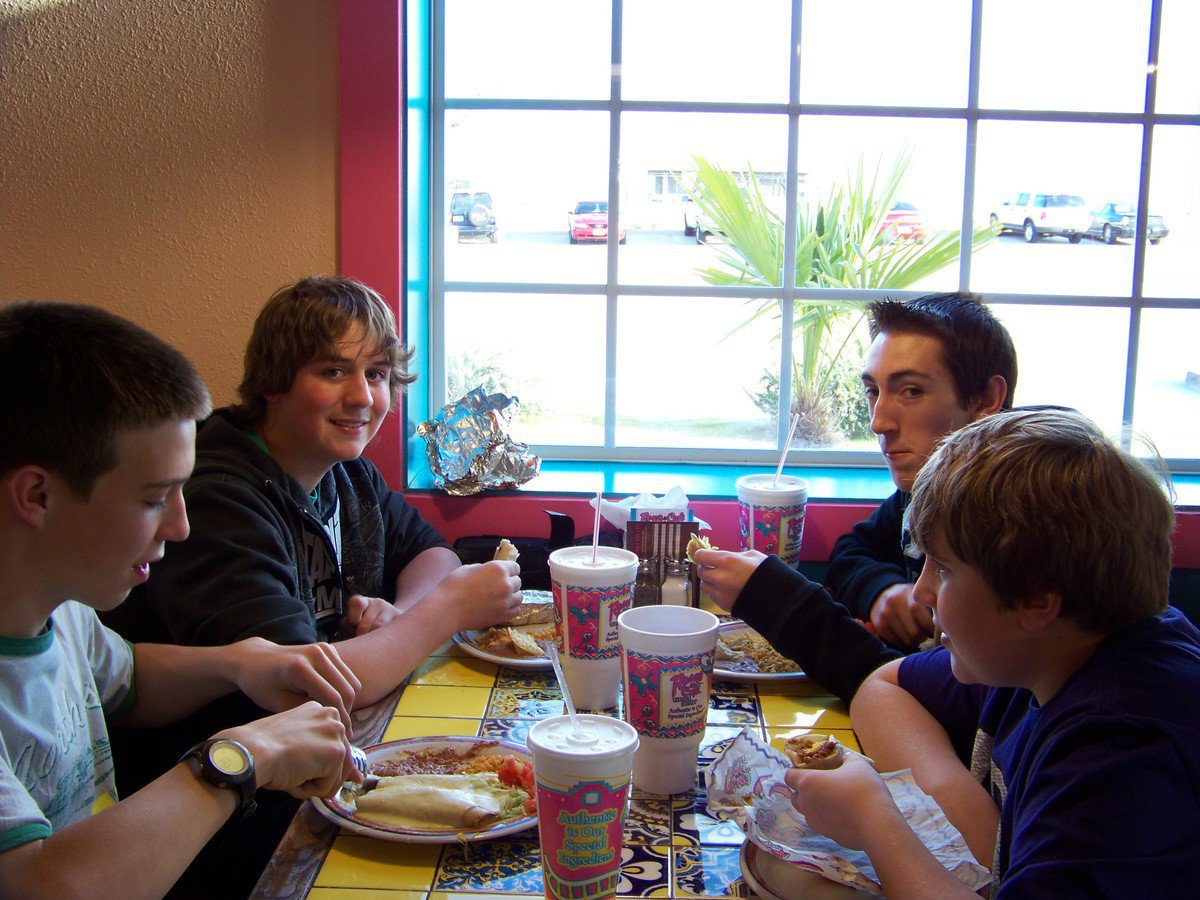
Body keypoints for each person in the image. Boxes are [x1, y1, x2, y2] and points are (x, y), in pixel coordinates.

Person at [103, 275, 521, 894]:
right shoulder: (220, 498)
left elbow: (430, 552)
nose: (363, 397)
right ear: (273, 381)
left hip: (297, 777)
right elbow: (308, 687)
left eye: (377, 375)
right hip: (219, 829)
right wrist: (440, 614)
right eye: (333, 372)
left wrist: (399, 612)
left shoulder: (342, 474)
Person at [0, 300, 361, 898]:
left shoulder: (59, 612)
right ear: (37, 495)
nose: (181, 526)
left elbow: (128, 679)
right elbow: (40, 885)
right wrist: (239, 758)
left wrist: (237, 662)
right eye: (154, 498)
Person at [787, 409, 1200, 896]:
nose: (920, 593)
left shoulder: (1123, 751)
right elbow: (888, 681)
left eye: (942, 568)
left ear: (1036, 600)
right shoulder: (1041, 651)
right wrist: (971, 818)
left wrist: (874, 818)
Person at [696, 292, 1015, 700]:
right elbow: (853, 550)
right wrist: (882, 590)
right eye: (873, 391)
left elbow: (935, 701)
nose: (879, 421)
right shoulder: (924, 493)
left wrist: (774, 599)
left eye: (911, 391)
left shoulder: (1012, 527)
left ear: (986, 400)